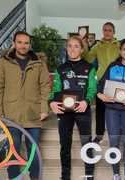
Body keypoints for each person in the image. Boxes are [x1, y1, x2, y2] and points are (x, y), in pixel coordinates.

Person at [0, 31, 50, 180]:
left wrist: (44, 108)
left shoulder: (39, 64)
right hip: (11, 115)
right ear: (14, 43)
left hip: (33, 113)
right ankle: (14, 178)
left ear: (30, 45)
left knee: (33, 151)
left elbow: (45, 87)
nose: (23, 46)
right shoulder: (4, 63)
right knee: (12, 150)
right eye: (20, 42)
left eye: (26, 43)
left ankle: (35, 178)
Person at [49, 36, 97, 180]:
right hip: (65, 112)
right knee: (65, 145)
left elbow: (92, 89)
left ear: (82, 49)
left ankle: (89, 176)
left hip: (83, 110)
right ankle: (65, 176)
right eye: (69, 46)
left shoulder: (89, 68)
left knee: (86, 144)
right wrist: (51, 101)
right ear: (66, 48)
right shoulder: (60, 69)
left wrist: (87, 101)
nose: (72, 49)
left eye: (76, 46)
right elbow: (56, 89)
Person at [97, 39, 125, 180]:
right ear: (120, 51)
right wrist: (101, 96)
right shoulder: (112, 66)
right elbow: (100, 86)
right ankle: (116, 173)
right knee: (114, 141)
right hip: (112, 110)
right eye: (124, 49)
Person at [83, 22, 120, 143]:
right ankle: (99, 134)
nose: (107, 32)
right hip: (101, 81)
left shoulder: (119, 45)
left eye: (109, 30)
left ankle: (117, 132)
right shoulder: (97, 46)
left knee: (116, 108)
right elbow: (88, 58)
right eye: (105, 30)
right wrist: (84, 44)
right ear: (102, 32)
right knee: (100, 110)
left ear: (114, 32)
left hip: (116, 81)